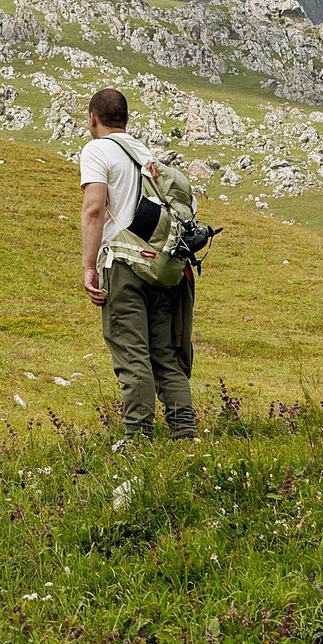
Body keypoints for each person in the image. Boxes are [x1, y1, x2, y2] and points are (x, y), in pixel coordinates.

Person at [77, 87, 196, 439]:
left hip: (124, 265)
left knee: (132, 355)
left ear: (93, 119)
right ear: (127, 120)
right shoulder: (146, 155)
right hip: (161, 267)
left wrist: (89, 266)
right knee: (165, 355)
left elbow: (94, 208)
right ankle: (185, 433)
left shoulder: (96, 150)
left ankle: (138, 438)